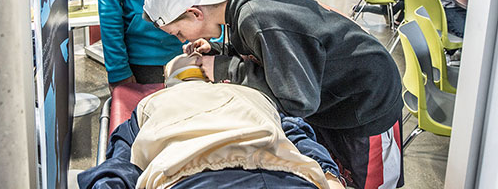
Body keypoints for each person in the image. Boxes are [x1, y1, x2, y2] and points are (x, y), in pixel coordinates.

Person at [142, 0, 404, 189]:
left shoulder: (256, 17)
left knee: (362, 183)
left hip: (366, 105)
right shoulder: (238, 5)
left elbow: (297, 100)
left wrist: (225, 68)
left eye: (178, 32)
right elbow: (269, 55)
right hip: (334, 100)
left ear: (195, 13)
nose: (181, 41)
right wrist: (219, 52)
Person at [78, 54, 345, 189]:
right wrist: (332, 179)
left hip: (189, 179)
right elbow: (299, 137)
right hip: (286, 176)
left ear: (168, 82)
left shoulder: (149, 105)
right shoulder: (253, 96)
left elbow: (121, 162)